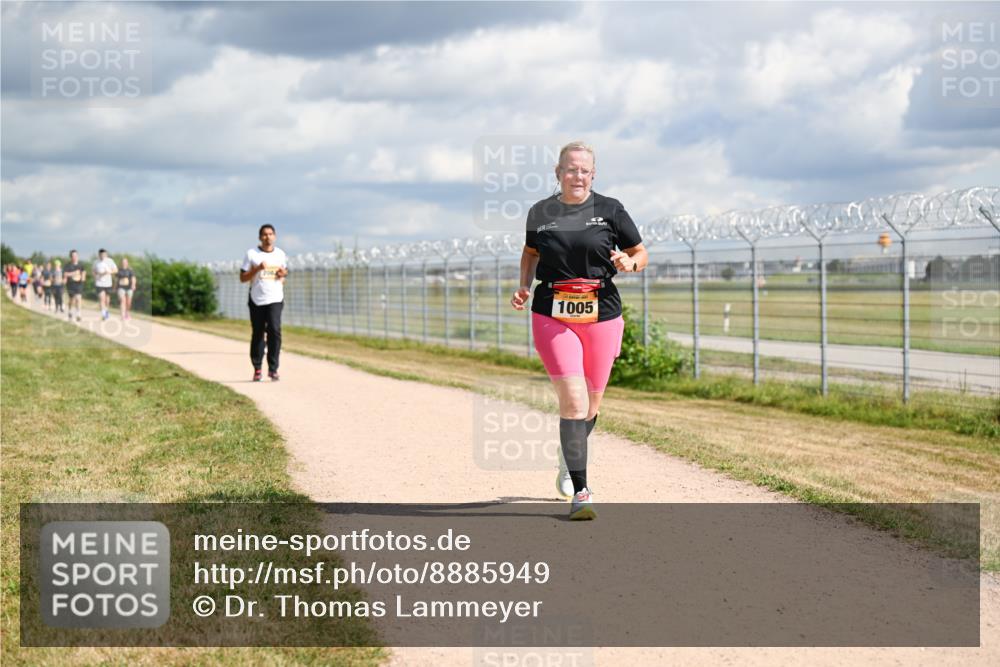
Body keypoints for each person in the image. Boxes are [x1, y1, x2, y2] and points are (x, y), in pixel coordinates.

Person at [511, 141, 648, 520]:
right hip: (552, 312)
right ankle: (582, 491)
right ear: (558, 173)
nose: (578, 175)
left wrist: (629, 263)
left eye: (585, 170)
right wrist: (524, 284)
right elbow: (531, 253)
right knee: (572, 402)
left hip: (602, 313)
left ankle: (567, 456)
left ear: (593, 174)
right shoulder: (541, 212)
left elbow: (641, 252)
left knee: (590, 407)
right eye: (571, 169)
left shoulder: (611, 210)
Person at [239, 224, 288, 381]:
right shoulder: (252, 254)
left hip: (275, 298)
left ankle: (273, 368)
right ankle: (257, 368)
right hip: (257, 299)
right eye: (265, 234)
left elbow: (283, 276)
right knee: (258, 333)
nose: (268, 237)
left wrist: (282, 274)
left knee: (274, 330)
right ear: (260, 237)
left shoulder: (280, 254)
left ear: (275, 236)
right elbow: (242, 278)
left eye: (270, 234)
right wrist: (257, 269)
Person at [93, 248, 118, 320]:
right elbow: (93, 271)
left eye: (104, 254)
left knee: (107, 300)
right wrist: (96, 277)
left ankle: (106, 311)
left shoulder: (110, 261)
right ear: (99, 255)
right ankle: (103, 314)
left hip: (108, 283)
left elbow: (116, 270)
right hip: (99, 283)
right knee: (102, 298)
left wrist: (109, 272)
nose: (102, 256)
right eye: (101, 254)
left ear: (106, 254)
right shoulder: (96, 262)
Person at [64, 250, 86, 321]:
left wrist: (83, 278)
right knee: (71, 300)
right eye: (73, 256)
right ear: (71, 257)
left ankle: (78, 314)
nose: (75, 257)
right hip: (70, 284)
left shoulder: (81, 265)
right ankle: (70, 311)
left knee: (78, 298)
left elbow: (83, 273)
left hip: (79, 284)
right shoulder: (68, 265)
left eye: (76, 256)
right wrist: (74, 273)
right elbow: (65, 274)